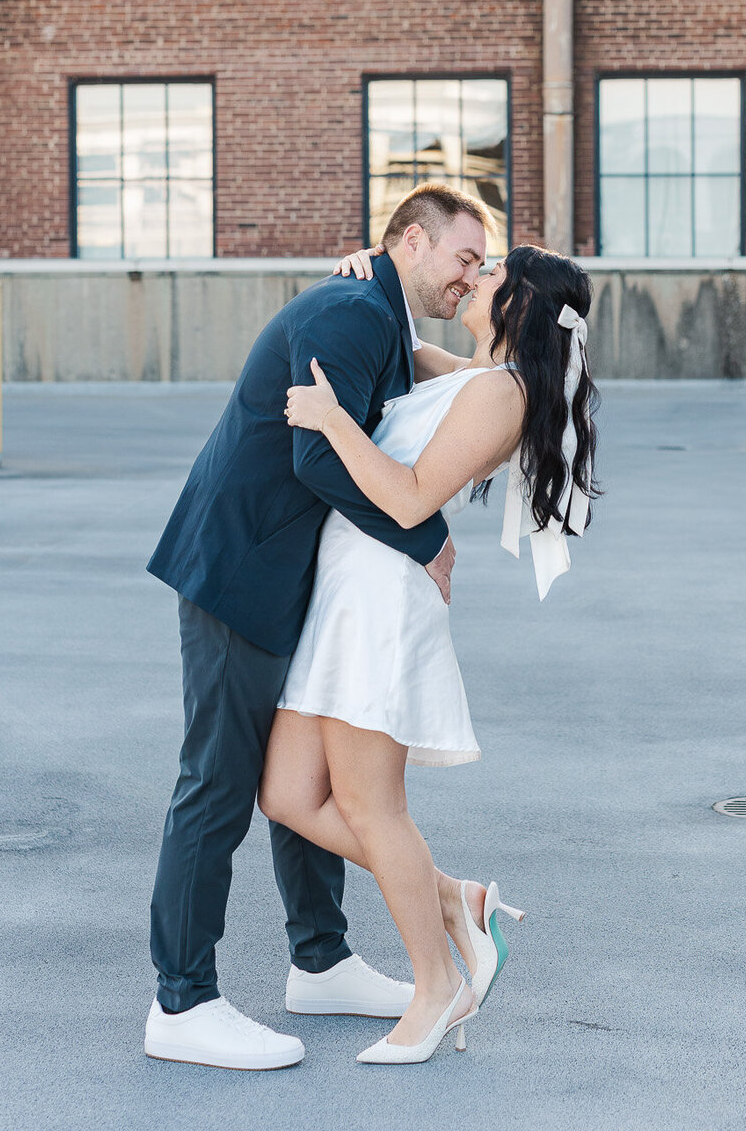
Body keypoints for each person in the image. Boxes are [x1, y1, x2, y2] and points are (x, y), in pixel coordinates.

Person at [143, 182, 492, 1070]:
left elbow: (414, 364)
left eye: (481, 265)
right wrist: (425, 538)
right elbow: (316, 452)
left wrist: (485, 366)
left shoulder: (372, 309)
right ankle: (180, 1004)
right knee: (217, 787)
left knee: (308, 781)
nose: (471, 274)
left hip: (294, 579)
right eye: (462, 256)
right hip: (240, 572)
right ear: (410, 243)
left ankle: (322, 960)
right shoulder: (349, 310)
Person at [257, 239, 598, 1065]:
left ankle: (437, 987)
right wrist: (367, 269)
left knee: (375, 807)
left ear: (519, 303)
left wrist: (335, 421)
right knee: (286, 793)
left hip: (380, 602)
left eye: (489, 274)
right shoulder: (473, 376)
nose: (472, 279)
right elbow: (398, 339)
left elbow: (410, 498)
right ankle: (455, 898)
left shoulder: (504, 395)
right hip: (344, 594)